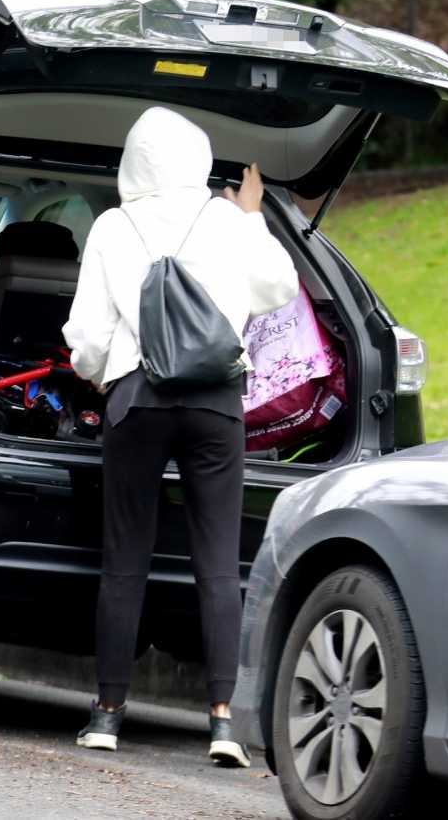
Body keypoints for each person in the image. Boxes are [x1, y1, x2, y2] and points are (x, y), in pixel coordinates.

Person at [63, 106, 298, 765]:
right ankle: (223, 721)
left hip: (138, 398)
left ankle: (108, 714)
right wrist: (251, 216)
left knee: (124, 562)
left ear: (133, 161)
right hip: (215, 403)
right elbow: (279, 286)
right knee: (220, 565)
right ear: (197, 155)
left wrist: (103, 374)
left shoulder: (112, 225)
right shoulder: (226, 218)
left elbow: (86, 335)